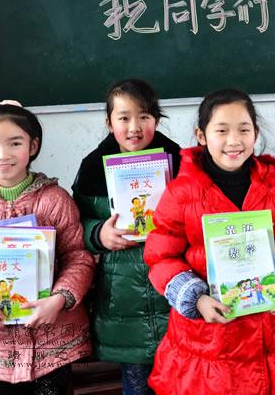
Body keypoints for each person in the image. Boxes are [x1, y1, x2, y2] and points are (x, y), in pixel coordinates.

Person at [143, 89, 275, 394]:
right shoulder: (181, 193)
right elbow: (161, 257)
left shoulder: (273, 186)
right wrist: (196, 299)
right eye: (222, 131)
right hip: (208, 340)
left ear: (256, 134)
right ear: (201, 135)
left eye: (243, 130)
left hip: (272, 335)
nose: (234, 141)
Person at [0, 102, 95, 394]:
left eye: (14, 143)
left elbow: (78, 258)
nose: (2, 154)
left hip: (51, 340)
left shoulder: (55, 200)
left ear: (33, 146)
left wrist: (58, 299)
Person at [71, 79, 181, 395]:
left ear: (156, 119)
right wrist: (98, 233)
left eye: (144, 116)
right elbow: (74, 224)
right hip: (123, 297)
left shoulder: (179, 161)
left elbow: (197, 210)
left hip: (173, 291)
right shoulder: (92, 168)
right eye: (124, 118)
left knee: (181, 378)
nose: (134, 127)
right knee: (137, 382)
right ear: (109, 123)